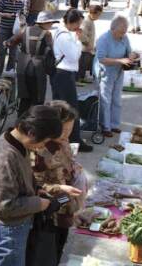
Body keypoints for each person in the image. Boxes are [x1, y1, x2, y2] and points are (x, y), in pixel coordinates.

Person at [0, 105, 64, 266]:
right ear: (31, 133)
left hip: (16, 225)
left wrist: (37, 189)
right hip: (7, 230)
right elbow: (3, 206)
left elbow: (23, 176)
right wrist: (39, 203)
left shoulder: (18, 143)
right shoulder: (5, 159)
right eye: (44, 141)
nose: (42, 146)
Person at [29, 101, 86, 266]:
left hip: (66, 206)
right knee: (45, 252)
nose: (67, 134)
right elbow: (35, 184)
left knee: (59, 245)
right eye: (64, 129)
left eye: (70, 129)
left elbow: (67, 166)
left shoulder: (64, 143)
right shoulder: (39, 148)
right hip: (49, 212)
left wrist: (74, 170)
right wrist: (59, 188)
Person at [52, 9, 93, 153]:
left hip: (62, 74)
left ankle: (59, 138)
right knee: (71, 109)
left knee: (61, 108)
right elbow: (74, 57)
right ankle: (75, 140)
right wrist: (78, 41)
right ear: (72, 22)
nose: (79, 28)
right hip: (64, 74)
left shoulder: (62, 32)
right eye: (78, 24)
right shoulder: (65, 36)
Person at [6, 11, 57, 116]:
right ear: (44, 23)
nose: (51, 25)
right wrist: (51, 70)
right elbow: (50, 54)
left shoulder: (25, 30)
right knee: (37, 99)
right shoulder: (47, 34)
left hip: (22, 67)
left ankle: (19, 124)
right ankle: (33, 124)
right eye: (50, 22)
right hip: (37, 70)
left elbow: (10, 42)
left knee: (24, 98)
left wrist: (6, 43)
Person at [96, 15, 139, 137]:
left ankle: (114, 125)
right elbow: (101, 59)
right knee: (106, 100)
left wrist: (132, 56)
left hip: (119, 71)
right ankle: (105, 126)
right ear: (113, 29)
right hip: (106, 72)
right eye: (120, 32)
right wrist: (120, 61)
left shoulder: (124, 37)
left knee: (117, 99)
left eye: (124, 32)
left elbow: (129, 51)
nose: (122, 35)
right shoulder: (104, 39)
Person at [0, 0, 24, 79]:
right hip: (3, 29)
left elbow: (22, 14)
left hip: (15, 31)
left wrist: (22, 20)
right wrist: (5, 14)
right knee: (2, 51)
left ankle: (9, 72)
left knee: (13, 52)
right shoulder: (3, 0)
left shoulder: (20, 2)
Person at [78, 5, 103, 81]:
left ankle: (84, 77)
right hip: (85, 49)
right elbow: (81, 35)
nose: (98, 17)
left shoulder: (90, 21)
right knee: (83, 65)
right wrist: (87, 44)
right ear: (92, 13)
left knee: (87, 65)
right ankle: (79, 78)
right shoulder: (86, 21)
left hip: (89, 48)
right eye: (98, 15)